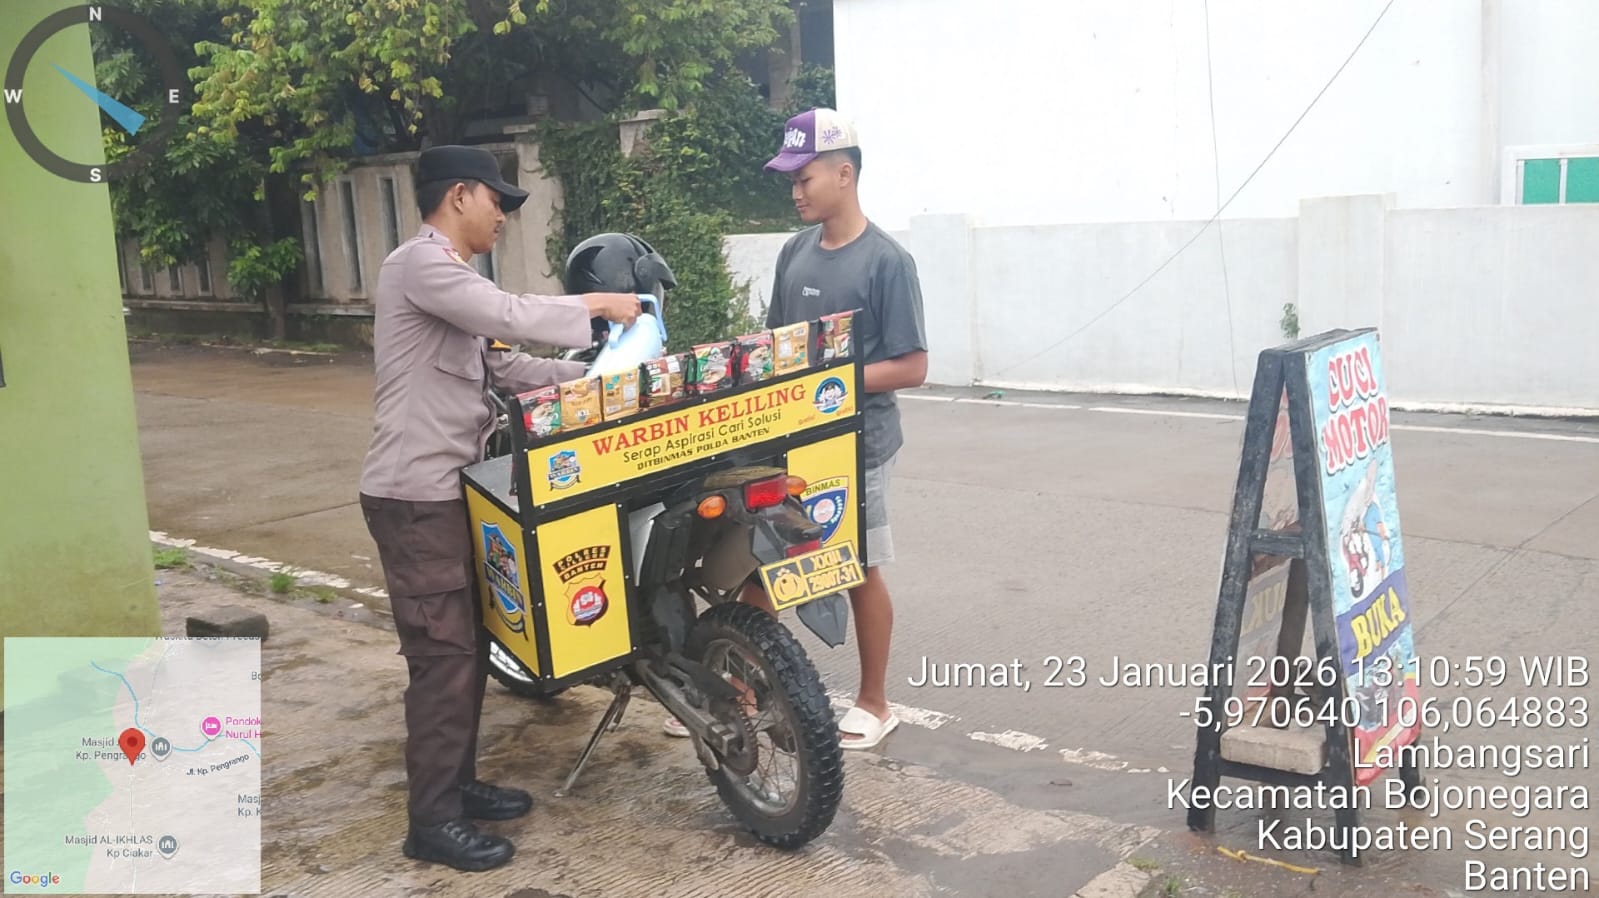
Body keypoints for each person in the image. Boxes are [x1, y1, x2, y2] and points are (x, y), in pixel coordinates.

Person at [358, 144, 641, 872]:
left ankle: (456, 785)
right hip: (413, 496)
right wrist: (598, 305)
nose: (503, 218)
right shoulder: (419, 265)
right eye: (497, 201)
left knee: (470, 647)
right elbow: (510, 313)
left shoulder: (452, 281)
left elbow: (503, 364)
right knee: (443, 657)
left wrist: (594, 378)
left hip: (448, 491)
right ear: (459, 195)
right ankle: (431, 822)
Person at [662, 108, 929, 749]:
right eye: (791, 180)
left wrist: (829, 383)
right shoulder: (795, 253)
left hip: (861, 445)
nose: (795, 191)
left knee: (855, 565)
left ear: (845, 174)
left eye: (804, 178)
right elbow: (776, 348)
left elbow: (913, 366)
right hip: (791, 439)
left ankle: (875, 703)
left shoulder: (887, 262)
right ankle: (735, 694)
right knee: (767, 559)